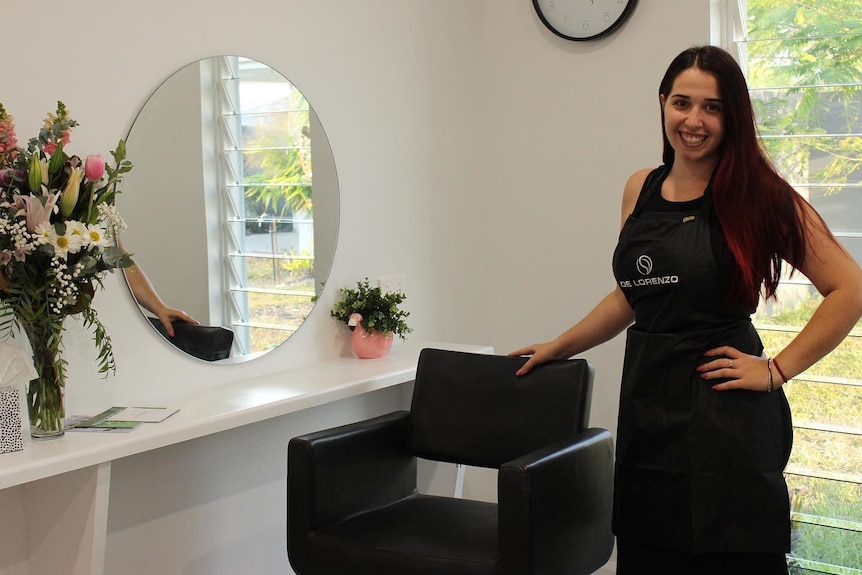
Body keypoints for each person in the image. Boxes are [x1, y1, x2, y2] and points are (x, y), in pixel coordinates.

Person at [509, 45, 862, 575]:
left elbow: (849, 288)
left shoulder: (760, 195)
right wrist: (560, 344)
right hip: (649, 409)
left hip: (727, 419)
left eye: (713, 107)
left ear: (733, 116)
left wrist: (775, 370)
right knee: (651, 553)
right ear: (662, 104)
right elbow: (637, 293)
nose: (694, 120)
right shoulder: (640, 188)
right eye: (682, 103)